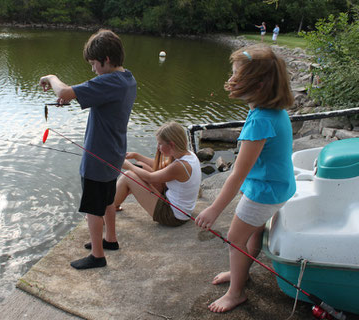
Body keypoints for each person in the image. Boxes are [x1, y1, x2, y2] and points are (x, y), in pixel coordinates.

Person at [195, 44, 296, 313]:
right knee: (252, 236)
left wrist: (214, 209)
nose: (230, 80)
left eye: (236, 75)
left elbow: (237, 174)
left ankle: (236, 292)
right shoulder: (273, 112)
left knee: (234, 239)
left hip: (264, 192)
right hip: (278, 186)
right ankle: (241, 273)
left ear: (259, 85)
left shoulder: (259, 121)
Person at [39, 29, 137, 269]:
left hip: (97, 157)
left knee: (93, 208)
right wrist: (75, 96)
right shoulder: (127, 79)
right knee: (107, 199)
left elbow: (63, 92)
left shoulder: (107, 81)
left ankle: (97, 255)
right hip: (114, 153)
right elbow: (88, 95)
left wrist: (51, 77)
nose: (93, 69)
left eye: (94, 64)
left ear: (106, 60)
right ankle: (110, 239)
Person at [112, 121, 202, 227]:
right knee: (140, 165)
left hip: (172, 215)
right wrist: (136, 156)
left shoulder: (179, 166)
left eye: (160, 143)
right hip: (179, 207)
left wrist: (129, 166)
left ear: (171, 144)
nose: (158, 147)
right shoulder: (188, 155)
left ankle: (108, 209)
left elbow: (150, 178)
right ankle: (116, 204)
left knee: (128, 176)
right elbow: (158, 166)